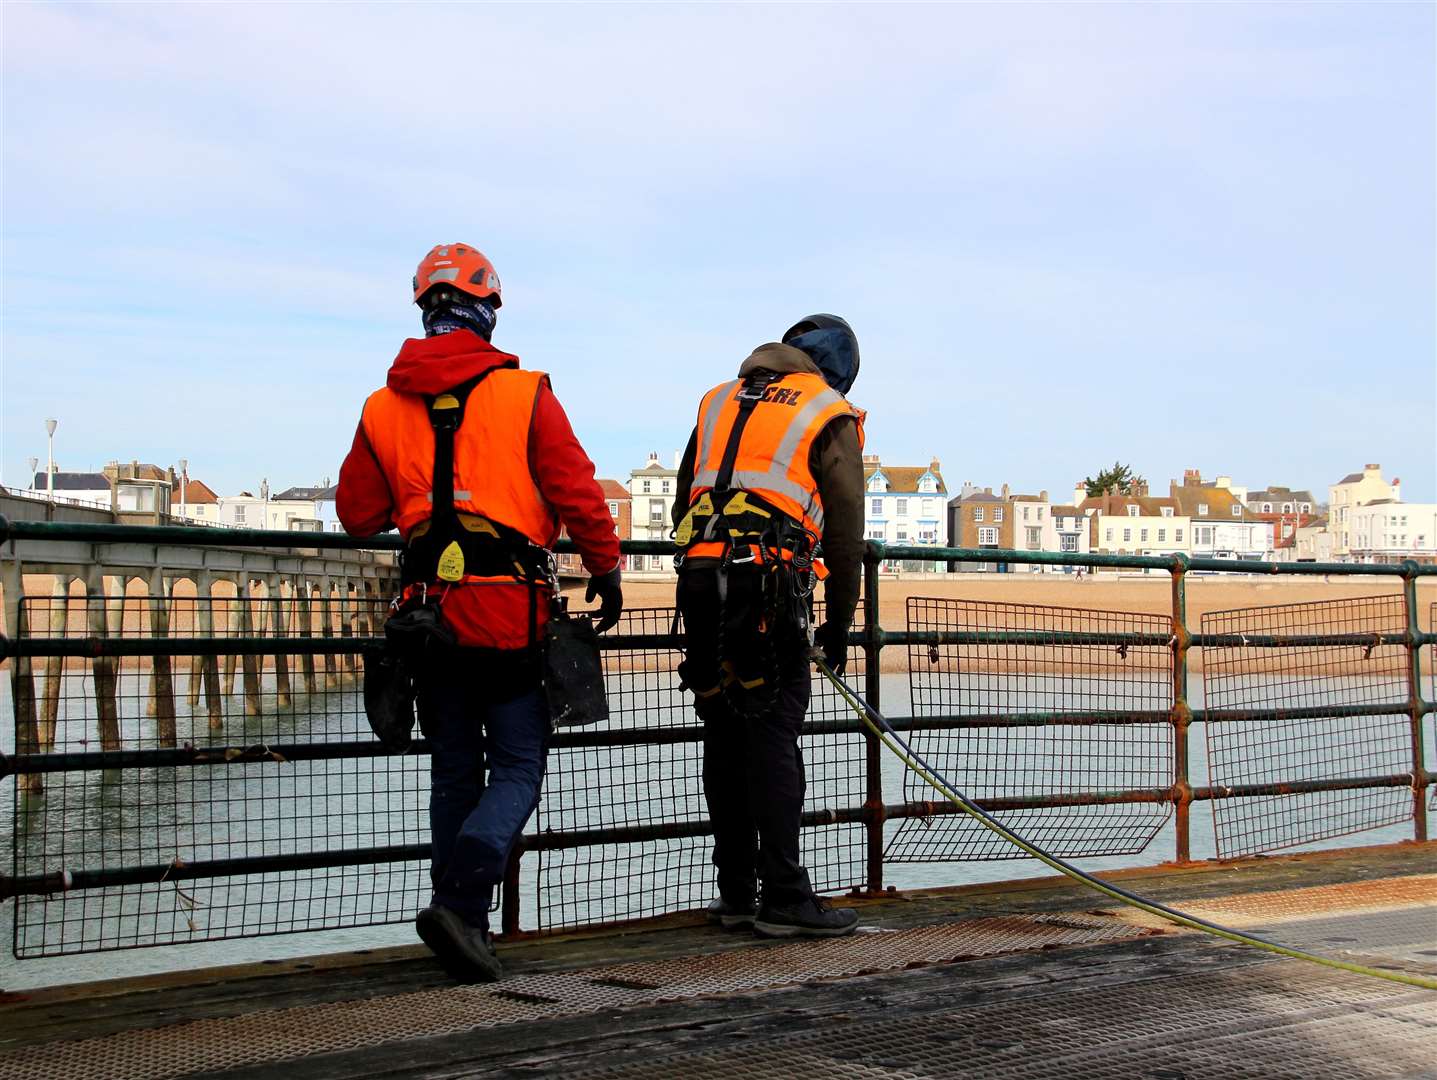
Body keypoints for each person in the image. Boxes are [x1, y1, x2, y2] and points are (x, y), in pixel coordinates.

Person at [337, 243, 622, 981]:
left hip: (427, 612)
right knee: (521, 763)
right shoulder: (525, 393)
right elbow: (577, 492)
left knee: (454, 770)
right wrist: (607, 568)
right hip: (508, 610)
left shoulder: (380, 404)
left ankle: (459, 916)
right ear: (484, 310)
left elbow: (357, 516)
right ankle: (468, 884)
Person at [671, 314, 866, 938]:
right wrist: (839, 624)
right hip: (767, 589)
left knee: (724, 736)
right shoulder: (824, 409)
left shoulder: (718, 400)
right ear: (835, 373)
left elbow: (685, 501)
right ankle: (785, 893)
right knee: (775, 735)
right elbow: (844, 529)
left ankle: (734, 894)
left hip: (701, 583)